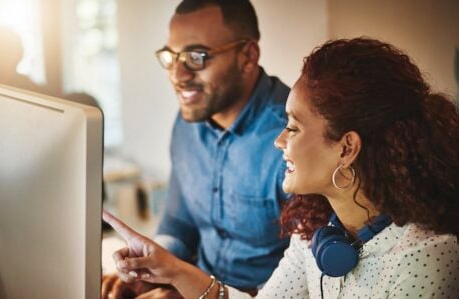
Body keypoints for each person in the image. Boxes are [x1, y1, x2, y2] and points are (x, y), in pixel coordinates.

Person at [102, 37, 459, 298]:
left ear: (347, 147)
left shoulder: (426, 259)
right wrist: (174, 270)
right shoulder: (316, 229)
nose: (279, 141)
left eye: (293, 127)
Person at [101, 0, 291, 297]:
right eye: (172, 56)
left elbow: (308, 279)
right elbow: (180, 220)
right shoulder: (190, 119)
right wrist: (150, 271)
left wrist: (193, 289)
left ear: (248, 56)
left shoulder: (292, 139)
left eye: (196, 56)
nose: (178, 75)